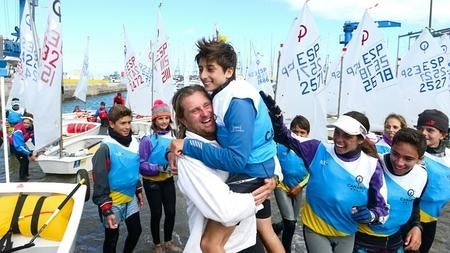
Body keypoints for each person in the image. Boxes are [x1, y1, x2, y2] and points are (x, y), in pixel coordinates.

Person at [169, 38, 283, 253]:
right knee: (209, 244)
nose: (203, 75)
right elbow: (226, 212)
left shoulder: (232, 108)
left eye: (206, 105)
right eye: (195, 111)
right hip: (229, 248)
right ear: (182, 121)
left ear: (229, 71)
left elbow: (252, 151)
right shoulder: (187, 157)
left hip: (248, 241)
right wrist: (256, 198)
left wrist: (274, 178)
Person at [260, 92, 390, 253]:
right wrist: (277, 119)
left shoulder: (372, 165)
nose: (338, 139)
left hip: (347, 232)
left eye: (347, 136)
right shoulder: (317, 149)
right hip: (316, 228)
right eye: (337, 132)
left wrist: (371, 215)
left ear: (361, 139)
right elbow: (285, 137)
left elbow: (382, 210)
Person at [354, 128, 428, 252]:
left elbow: (414, 205)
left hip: (395, 241)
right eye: (395, 154)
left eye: (408, 159)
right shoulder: (372, 165)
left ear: (420, 159)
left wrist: (417, 226)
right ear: (391, 146)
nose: (399, 162)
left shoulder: (422, 175)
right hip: (361, 240)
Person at [92, 105, 143, 253]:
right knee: (112, 239)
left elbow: (132, 169)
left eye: (129, 122)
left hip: (130, 196)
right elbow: (99, 180)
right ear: (112, 124)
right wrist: (106, 210)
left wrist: (138, 188)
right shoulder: (105, 148)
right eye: (123, 123)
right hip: (112, 201)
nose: (127, 127)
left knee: (136, 231)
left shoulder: (134, 142)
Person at [138, 99, 181, 253]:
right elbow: (141, 165)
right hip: (151, 182)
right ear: (154, 120)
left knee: (171, 212)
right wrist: (159, 168)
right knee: (157, 213)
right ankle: (157, 244)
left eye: (166, 118)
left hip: (168, 180)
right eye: (160, 118)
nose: (163, 122)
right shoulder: (147, 140)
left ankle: (168, 242)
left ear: (170, 119)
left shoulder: (174, 137)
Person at [412, 109, 450, 253]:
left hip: (431, 219)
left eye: (430, 130)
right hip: (410, 217)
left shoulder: (448, 158)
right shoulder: (411, 153)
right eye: (420, 128)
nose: (423, 133)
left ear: (443, 134)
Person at [273, 115, 310, 253]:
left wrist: (300, 187)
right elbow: (272, 163)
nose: (298, 135)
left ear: (307, 134)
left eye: (302, 132)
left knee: (292, 221)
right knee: (290, 222)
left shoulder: (310, 150)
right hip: (281, 186)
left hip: (298, 187)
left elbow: (312, 173)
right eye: (295, 131)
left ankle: (276, 227)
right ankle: (285, 249)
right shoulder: (280, 145)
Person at [7, 112, 36, 181]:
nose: (25, 124)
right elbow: (19, 146)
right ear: (22, 122)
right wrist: (30, 154)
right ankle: (22, 179)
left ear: (31, 123)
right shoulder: (18, 131)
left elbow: (32, 140)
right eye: (24, 122)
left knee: (26, 161)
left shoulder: (32, 128)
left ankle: (27, 176)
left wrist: (33, 151)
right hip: (15, 144)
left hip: (23, 141)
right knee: (23, 161)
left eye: (28, 123)